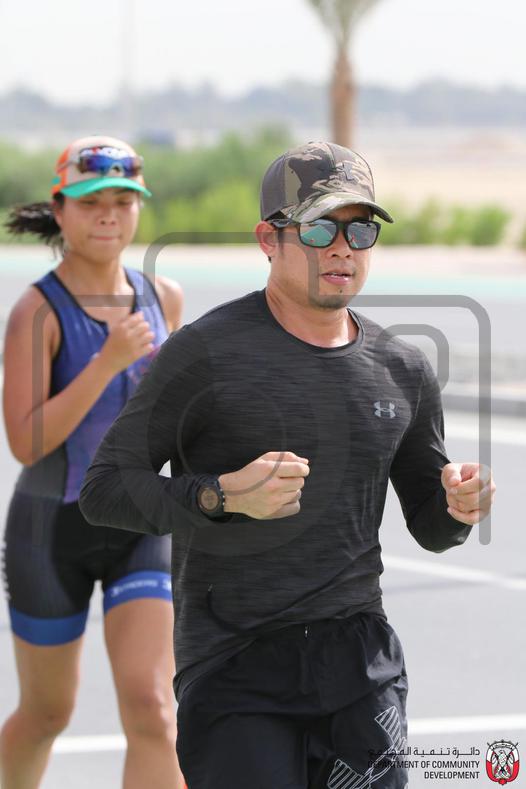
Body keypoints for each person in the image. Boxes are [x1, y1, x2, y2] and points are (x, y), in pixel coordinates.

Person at [79, 141, 496, 789]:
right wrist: (221, 496)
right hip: (234, 667)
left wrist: (459, 509)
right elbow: (105, 489)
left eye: (360, 229)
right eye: (321, 227)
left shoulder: (402, 368)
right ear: (268, 239)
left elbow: (432, 527)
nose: (343, 248)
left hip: (361, 666)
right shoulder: (205, 353)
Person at [0, 136, 186, 789]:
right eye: (90, 202)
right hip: (51, 532)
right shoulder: (36, 311)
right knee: (47, 712)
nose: (108, 215)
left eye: (122, 201)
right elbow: (26, 443)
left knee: (154, 708)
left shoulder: (164, 297)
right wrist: (107, 362)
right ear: (60, 210)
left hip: (141, 527)